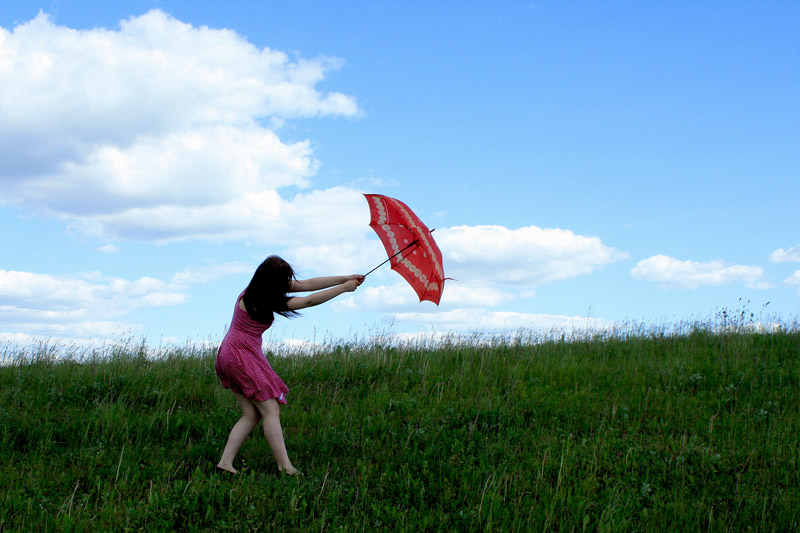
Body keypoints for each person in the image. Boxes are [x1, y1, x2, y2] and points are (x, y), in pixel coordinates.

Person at [215, 255, 364, 475]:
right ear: (273, 281)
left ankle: (225, 464)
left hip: (230, 353)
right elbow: (308, 301)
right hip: (240, 356)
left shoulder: (256, 289)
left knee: (252, 413)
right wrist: (343, 289)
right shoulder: (263, 300)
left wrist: (346, 278)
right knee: (271, 409)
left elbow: (307, 284)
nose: (288, 283)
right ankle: (285, 467)